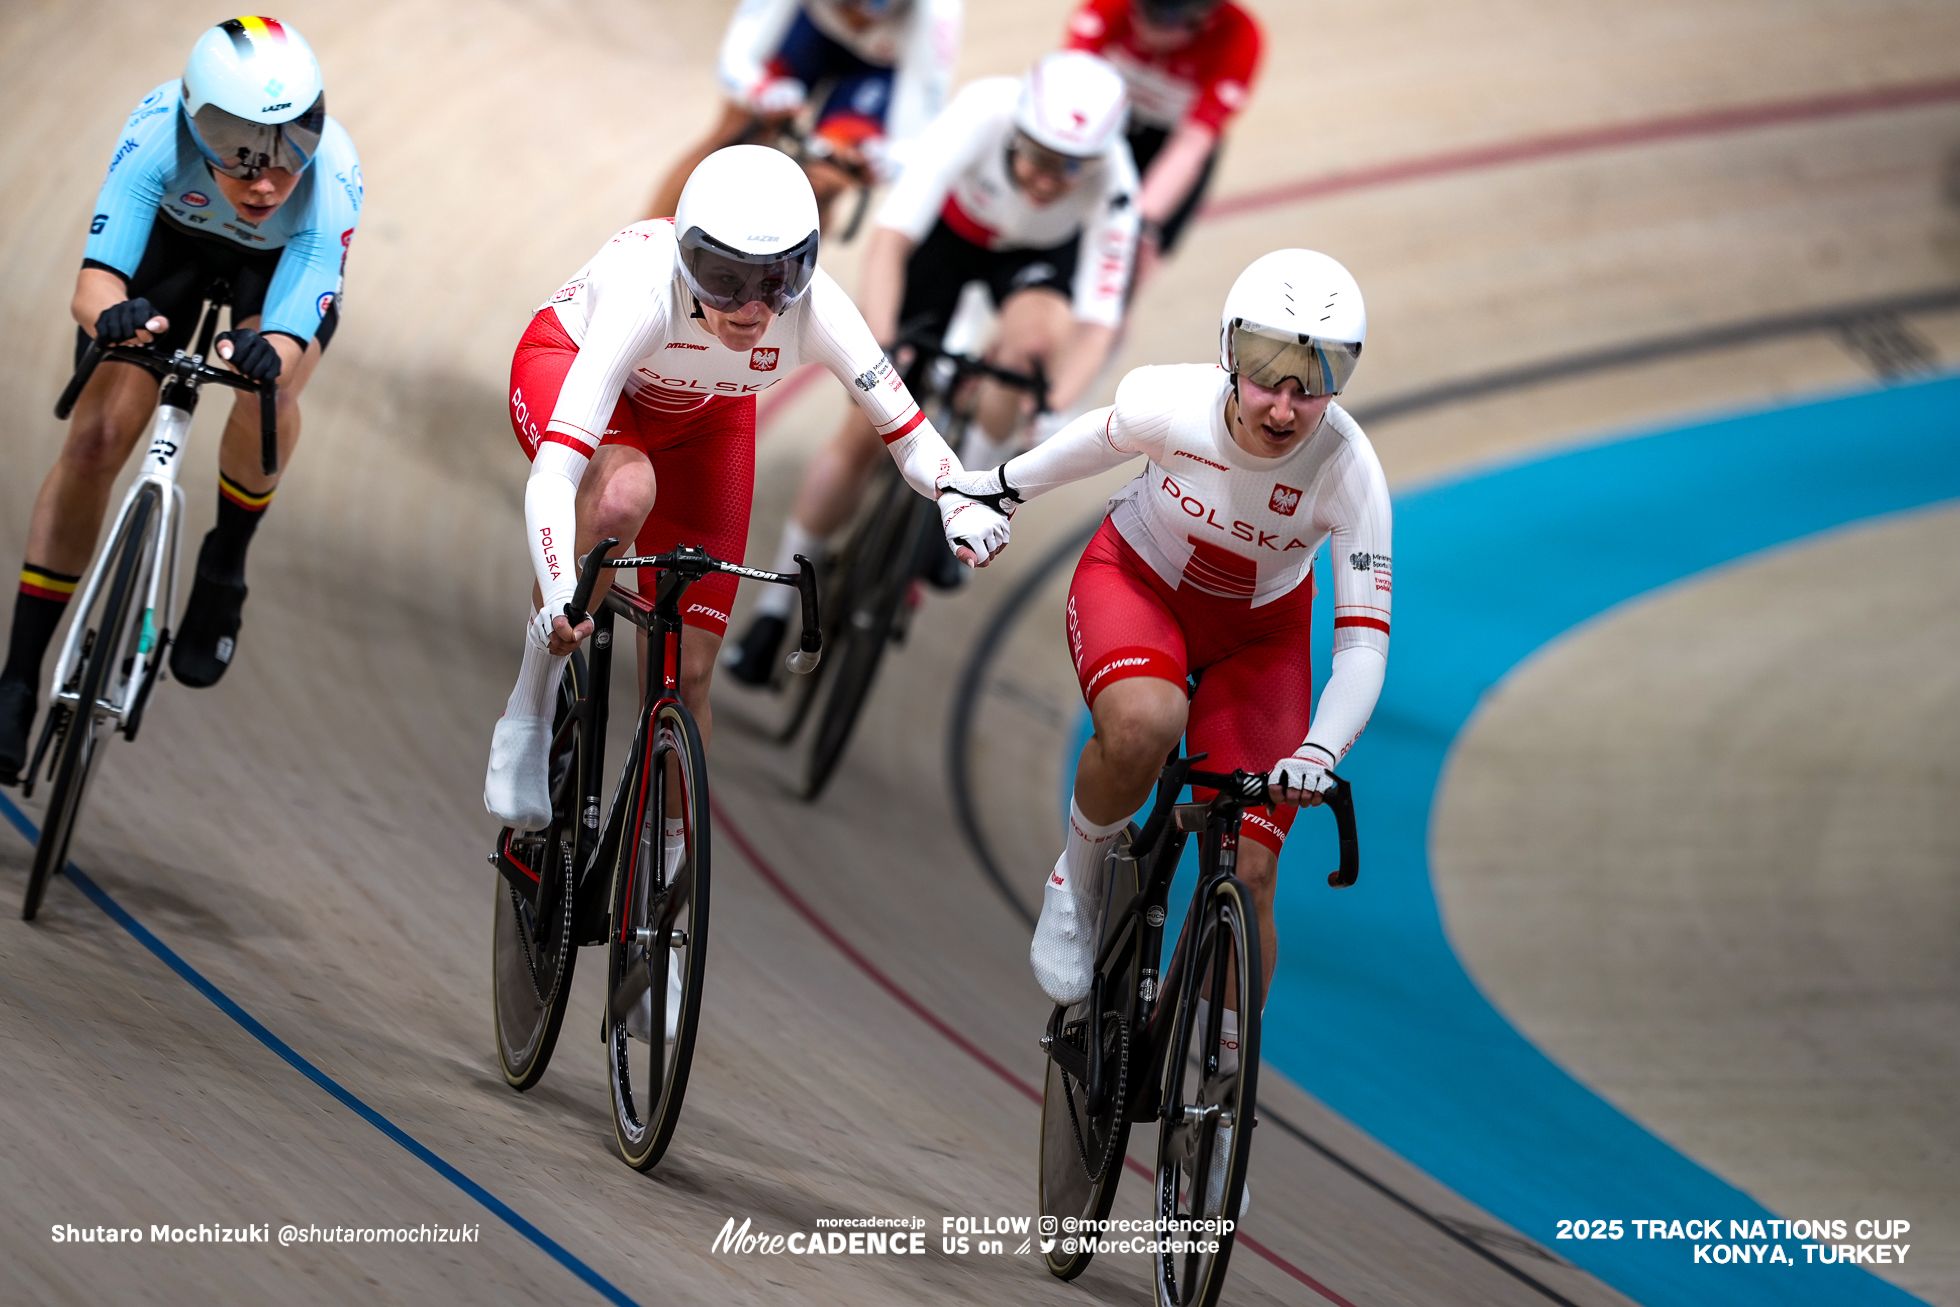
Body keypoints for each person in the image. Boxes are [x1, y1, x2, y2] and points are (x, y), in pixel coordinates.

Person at [948, 245, 1390, 1070]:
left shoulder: (1350, 472)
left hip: (1259, 641)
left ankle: (1221, 1097)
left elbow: (1363, 647)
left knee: (1255, 868)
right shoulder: (1172, 401)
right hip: (1140, 585)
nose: (1286, 405)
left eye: (1314, 380)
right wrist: (999, 485)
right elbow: (1092, 443)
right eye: (1266, 374)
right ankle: (1075, 883)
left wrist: (1317, 752)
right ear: (1228, 352)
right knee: (1149, 721)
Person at [484, 144, 1006, 835]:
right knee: (621, 494)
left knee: (688, 678)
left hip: (707, 415)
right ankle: (532, 702)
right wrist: (558, 593)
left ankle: (665, 874)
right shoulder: (644, 291)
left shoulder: (818, 309)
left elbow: (908, 432)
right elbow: (556, 475)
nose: (753, 308)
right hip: (573, 369)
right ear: (685, 258)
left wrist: (957, 494)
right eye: (723, 279)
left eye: (778, 280)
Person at [0, 17, 360, 786]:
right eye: (239, 152)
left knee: (273, 385)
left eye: (294, 144)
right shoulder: (154, 134)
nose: (266, 180)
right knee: (97, 441)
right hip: (172, 249)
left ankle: (225, 562)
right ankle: (19, 678)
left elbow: (296, 328)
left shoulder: (332, 183)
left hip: (275, 274)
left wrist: (273, 352)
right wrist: (114, 318)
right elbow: (94, 285)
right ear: (195, 129)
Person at [724, 50, 1140, 684]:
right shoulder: (981, 112)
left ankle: (976, 493)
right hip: (946, 241)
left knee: (1024, 360)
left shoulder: (1116, 180)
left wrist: (1053, 402)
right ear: (1017, 126)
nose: (1050, 179)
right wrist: (881, 353)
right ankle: (777, 606)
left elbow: (1095, 322)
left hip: (1032, 264)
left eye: (1071, 167)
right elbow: (891, 242)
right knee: (866, 431)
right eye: (1037, 155)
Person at [645, 0, 963, 230]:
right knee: (735, 132)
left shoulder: (937, 12)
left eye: (872, 6)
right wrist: (761, 92)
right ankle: (643, 236)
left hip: (875, 69)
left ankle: (776, 286)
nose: (855, 19)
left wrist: (884, 161)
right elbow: (734, 61)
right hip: (807, 27)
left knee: (823, 183)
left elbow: (918, 141)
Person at [1063, 0, 1262, 290]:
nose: (1148, 32)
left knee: (1134, 261)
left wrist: (1137, 222)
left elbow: (1190, 145)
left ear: (1205, 19)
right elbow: (1068, 95)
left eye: (1165, 21)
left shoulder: (1240, 36)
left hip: (1172, 144)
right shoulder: (1109, 6)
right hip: (1107, 125)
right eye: (1143, 12)